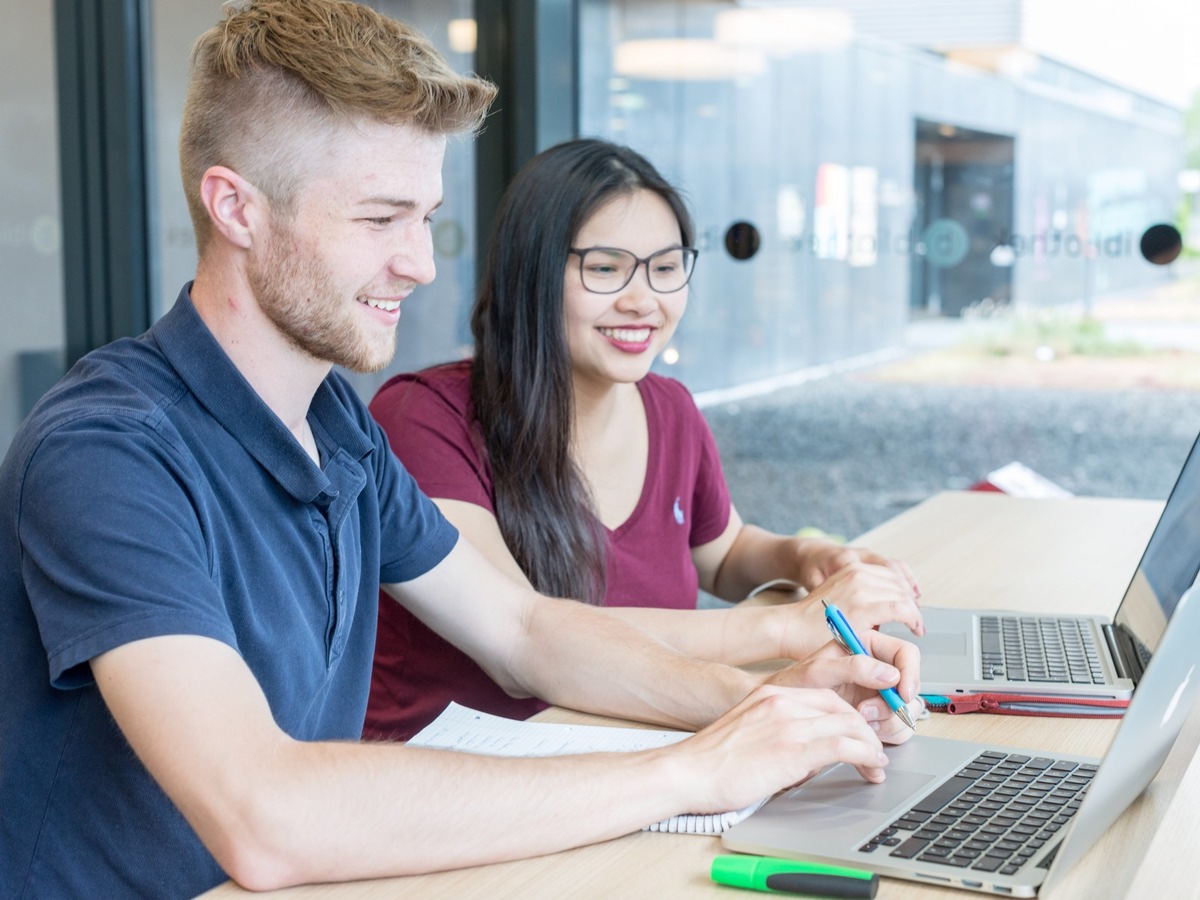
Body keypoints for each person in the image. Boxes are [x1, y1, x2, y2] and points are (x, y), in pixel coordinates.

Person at [0, 3, 920, 897]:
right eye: (379, 219)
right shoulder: (106, 455)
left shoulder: (336, 427)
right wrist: (689, 772)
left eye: (425, 217)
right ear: (237, 208)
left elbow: (522, 630)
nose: (422, 262)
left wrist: (762, 705)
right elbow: (263, 811)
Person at [365, 138, 924, 741]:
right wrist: (787, 628)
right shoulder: (422, 419)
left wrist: (807, 559)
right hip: (463, 778)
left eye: (664, 268)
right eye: (605, 268)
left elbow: (725, 552)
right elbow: (526, 635)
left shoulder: (671, 409)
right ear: (532, 273)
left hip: (642, 741)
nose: (643, 301)